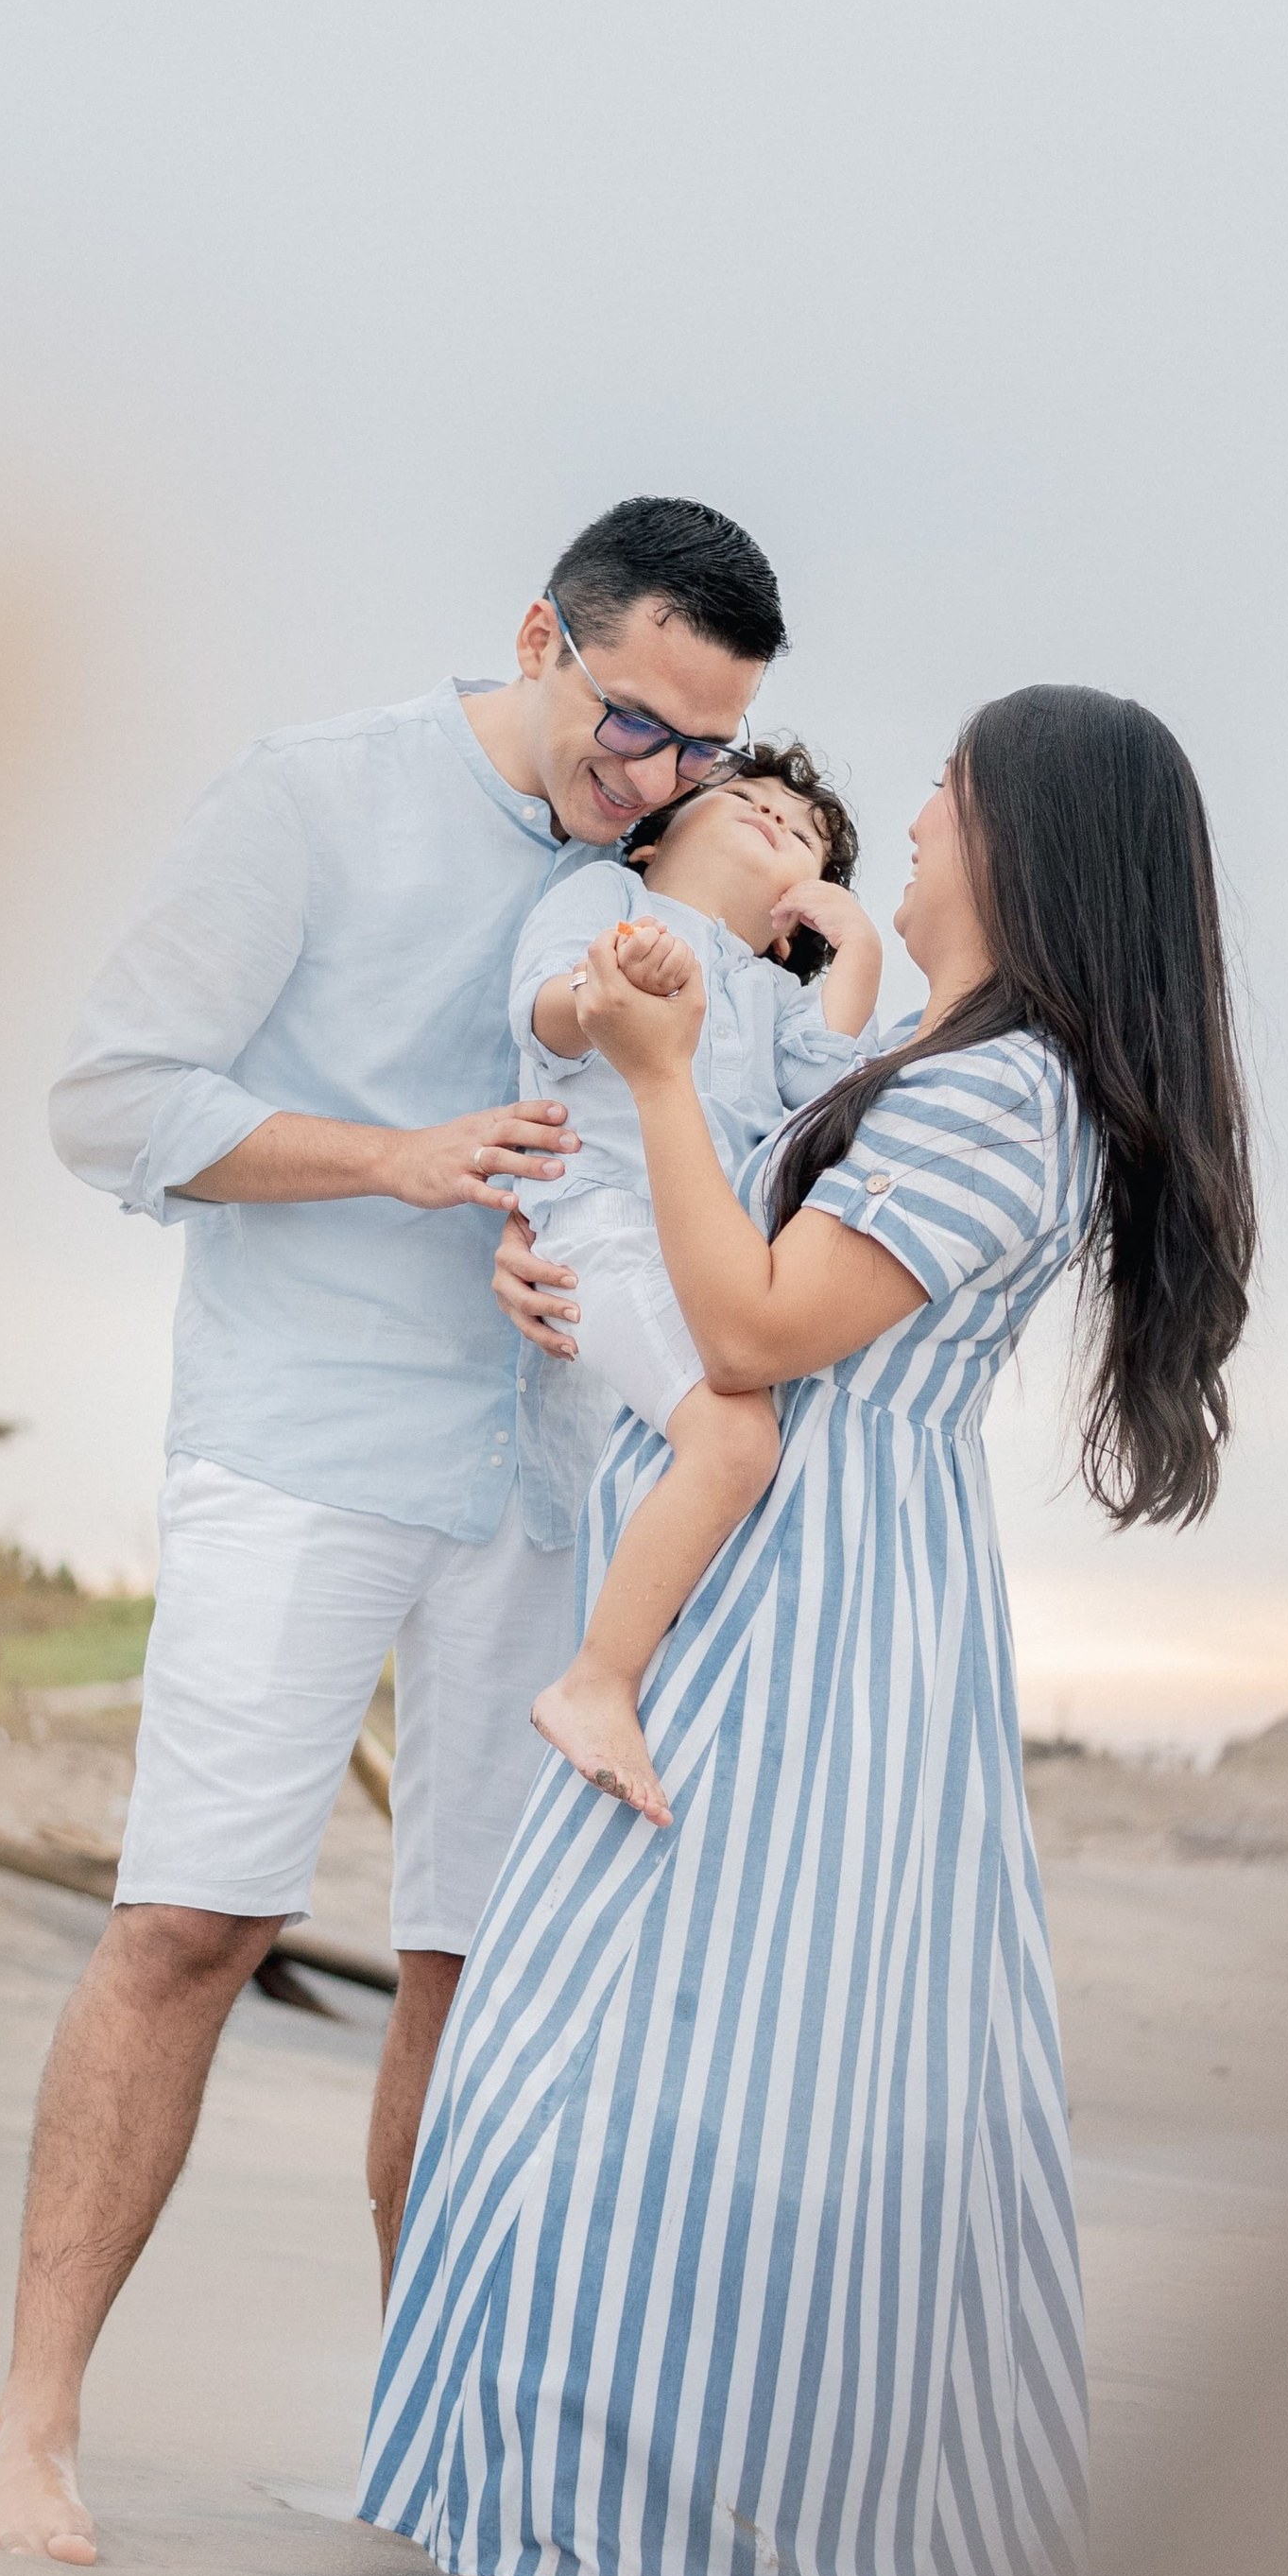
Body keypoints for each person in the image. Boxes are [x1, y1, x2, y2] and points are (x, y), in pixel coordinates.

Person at [356, 684, 1257, 2576]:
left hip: (809, 1599)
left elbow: (755, 1328)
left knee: (680, 2048)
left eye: (943, 795)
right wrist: (570, 1254)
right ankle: (559, 2525)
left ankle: (614, 2555)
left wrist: (666, 1078)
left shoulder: (1000, 1096)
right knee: (644, 2033)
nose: (908, 826)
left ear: (1026, 847)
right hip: (780, 1571)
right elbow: (702, 1262)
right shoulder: (950, 1065)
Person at [0, 495, 787, 2567]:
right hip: (303, 1444)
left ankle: (437, 2463)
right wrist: (393, 1160)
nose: (658, 780)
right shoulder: (308, 795)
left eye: (705, 747)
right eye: (632, 725)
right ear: (540, 637)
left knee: (477, 1974)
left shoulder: (659, 865)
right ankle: (29, 2437)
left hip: (549, 1478)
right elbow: (107, 1099)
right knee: (193, 1924)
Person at [512, 740, 883, 1824]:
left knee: (733, 1450)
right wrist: (610, 988)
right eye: (747, 800)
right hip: (603, 1227)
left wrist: (857, 946)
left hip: (702, 1263)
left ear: (792, 921)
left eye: (805, 834)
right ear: (653, 837)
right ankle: (595, 1682)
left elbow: (828, 1086)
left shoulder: (772, 996)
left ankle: (651, 1673)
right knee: (734, 1441)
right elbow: (540, 1012)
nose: (777, 817)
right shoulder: (608, 897)